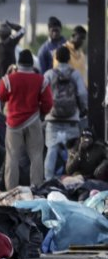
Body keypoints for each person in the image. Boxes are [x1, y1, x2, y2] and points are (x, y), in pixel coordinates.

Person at [0, 49, 53, 189]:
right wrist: (42, 114)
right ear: (31, 63)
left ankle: (11, 189)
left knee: (12, 156)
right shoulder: (41, 79)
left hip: (13, 123)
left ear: (18, 63)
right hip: (33, 120)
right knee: (36, 155)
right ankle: (37, 187)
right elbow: (48, 102)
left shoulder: (9, 79)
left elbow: (0, 95)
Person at [44, 45, 88, 180]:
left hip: (53, 119)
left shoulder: (49, 74)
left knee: (52, 150)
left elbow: (42, 94)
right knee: (73, 153)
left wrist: (44, 112)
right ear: (69, 59)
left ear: (56, 58)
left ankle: (49, 180)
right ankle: (72, 180)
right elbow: (81, 94)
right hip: (71, 120)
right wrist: (82, 110)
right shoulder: (75, 74)